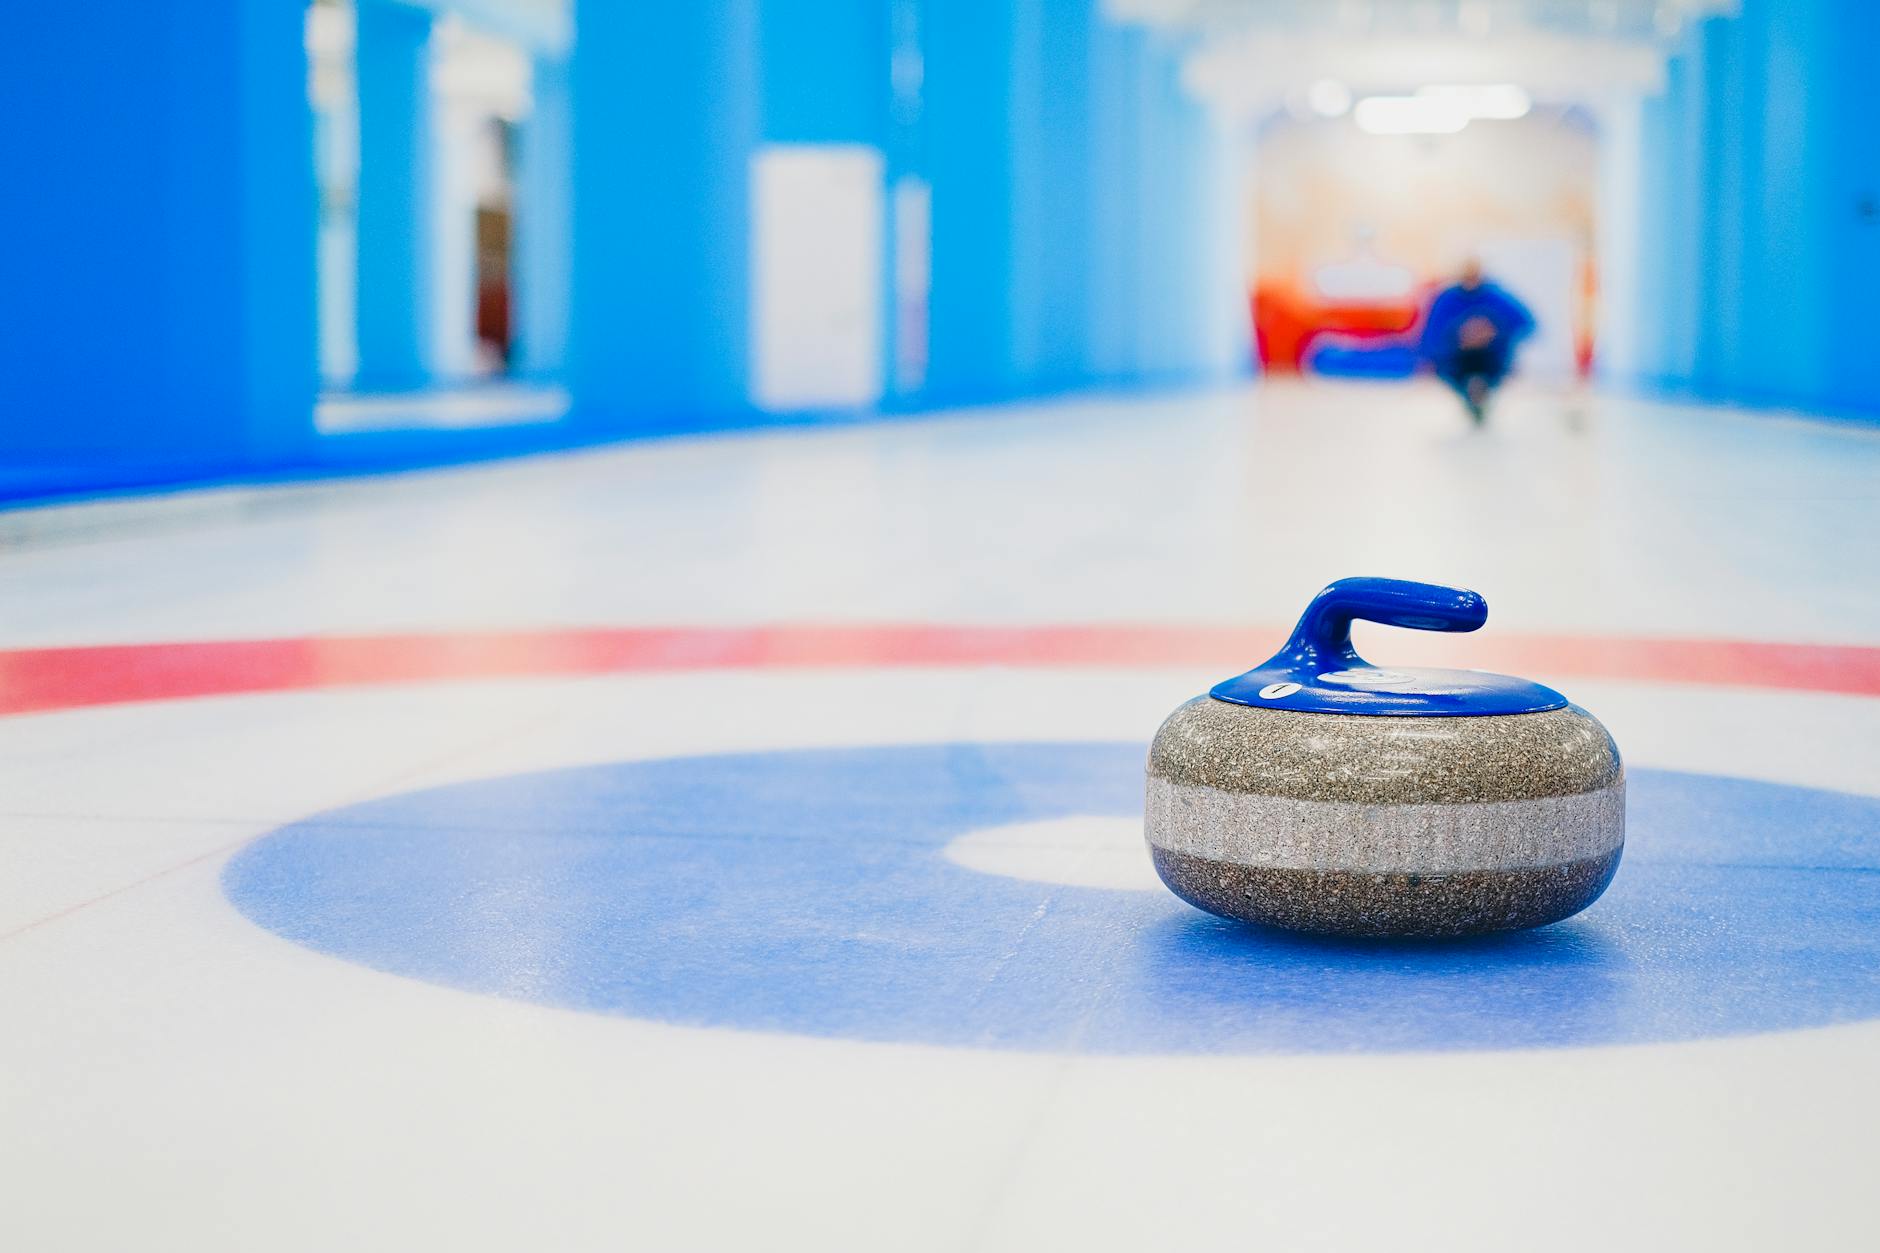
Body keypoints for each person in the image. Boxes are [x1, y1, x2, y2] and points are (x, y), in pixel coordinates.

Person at [1420, 259, 1535, 425]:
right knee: (1455, 373)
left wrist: (1493, 331)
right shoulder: (1447, 299)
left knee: (1491, 373)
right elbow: (1431, 333)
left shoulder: (1496, 297)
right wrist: (1458, 336)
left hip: (1492, 357)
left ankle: (1481, 395)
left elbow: (1525, 324)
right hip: (1455, 358)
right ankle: (1473, 398)